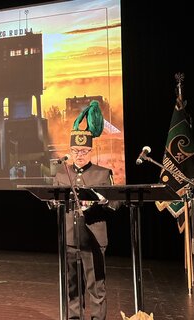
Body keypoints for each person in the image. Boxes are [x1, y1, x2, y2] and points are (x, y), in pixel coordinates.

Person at [53, 100, 119, 320]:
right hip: (70, 237)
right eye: (74, 150)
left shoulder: (102, 173)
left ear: (91, 150)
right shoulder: (63, 174)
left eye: (83, 150)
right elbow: (54, 199)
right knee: (73, 286)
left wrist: (101, 201)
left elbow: (116, 203)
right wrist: (52, 202)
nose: (79, 154)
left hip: (94, 237)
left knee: (96, 286)